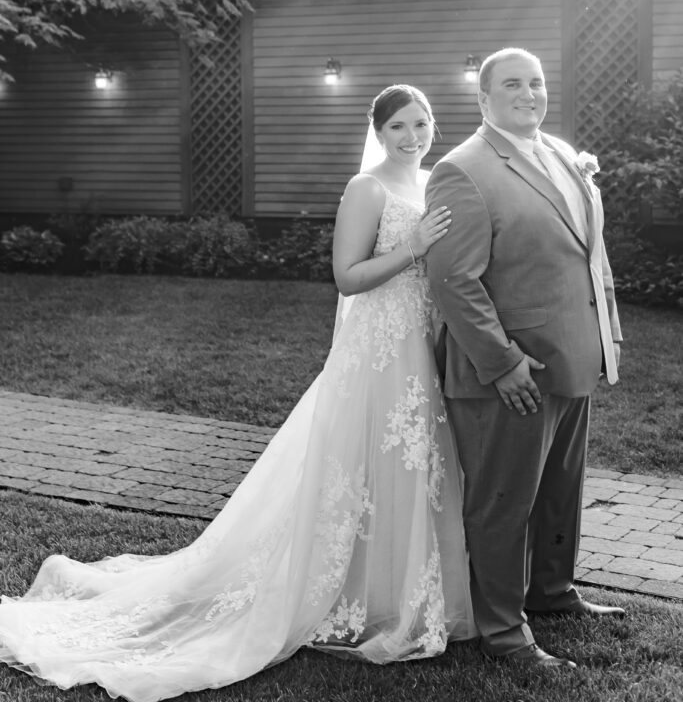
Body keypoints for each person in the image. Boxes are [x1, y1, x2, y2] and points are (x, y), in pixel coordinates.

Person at [0, 85, 475, 702]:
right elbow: (347, 277)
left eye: (422, 123)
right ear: (378, 133)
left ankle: (392, 594)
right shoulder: (369, 189)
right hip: (377, 354)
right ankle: (332, 592)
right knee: (357, 470)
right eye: (400, 127)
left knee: (410, 472)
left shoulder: (433, 183)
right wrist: (412, 248)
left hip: (421, 349)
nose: (413, 136)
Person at [425, 47, 624, 671]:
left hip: (572, 357)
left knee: (561, 491)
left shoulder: (563, 154)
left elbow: (591, 256)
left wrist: (606, 334)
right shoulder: (464, 169)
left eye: (536, 83)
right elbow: (454, 280)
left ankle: (552, 591)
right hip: (510, 374)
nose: (528, 93)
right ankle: (505, 632)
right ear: (483, 98)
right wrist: (503, 361)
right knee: (503, 503)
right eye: (512, 84)